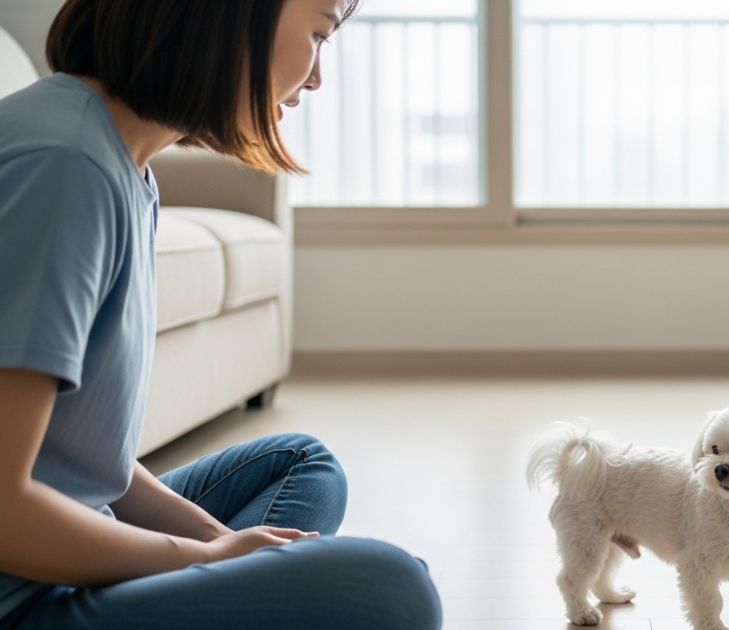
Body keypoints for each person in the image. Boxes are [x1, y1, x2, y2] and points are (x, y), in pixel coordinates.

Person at [0, 0, 442, 628]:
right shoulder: (65, 167)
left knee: (302, 464)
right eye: (318, 34)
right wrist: (196, 561)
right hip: (25, 598)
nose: (316, 77)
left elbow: (75, 453)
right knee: (394, 591)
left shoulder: (120, 160)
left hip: (65, 542)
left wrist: (216, 547)